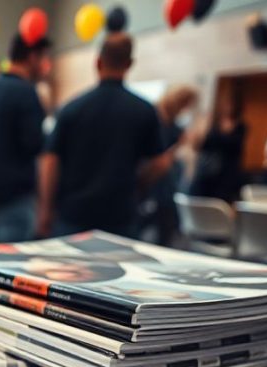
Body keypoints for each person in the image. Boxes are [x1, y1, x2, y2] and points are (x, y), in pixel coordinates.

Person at [37, 34, 169, 238]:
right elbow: (161, 163)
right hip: (120, 216)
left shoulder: (72, 109)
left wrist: (45, 211)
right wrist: (139, 183)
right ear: (130, 64)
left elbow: (49, 161)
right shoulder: (144, 110)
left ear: (98, 62)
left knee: (69, 270)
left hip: (73, 216)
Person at [0, 34, 52, 243]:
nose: (45, 66)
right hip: (14, 201)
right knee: (7, 270)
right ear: (32, 57)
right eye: (43, 59)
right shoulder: (28, 94)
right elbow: (36, 148)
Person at [139, 84, 198, 246]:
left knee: (166, 215)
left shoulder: (175, 124)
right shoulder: (155, 117)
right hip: (154, 171)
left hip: (167, 172)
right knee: (152, 213)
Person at [187, 94, 247, 203]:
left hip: (226, 174)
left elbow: (234, 146)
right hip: (207, 171)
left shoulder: (240, 126)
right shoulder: (213, 123)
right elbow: (200, 145)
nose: (227, 107)